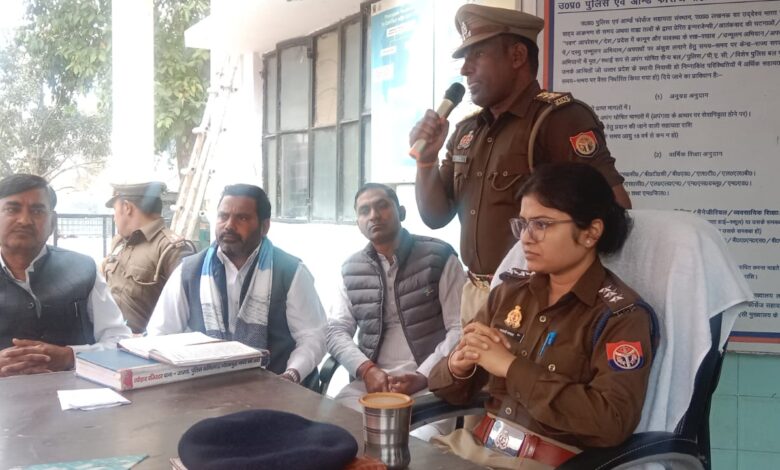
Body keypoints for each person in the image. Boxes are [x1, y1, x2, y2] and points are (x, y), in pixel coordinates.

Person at [410, 4, 631, 325]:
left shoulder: (557, 119)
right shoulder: (467, 130)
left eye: (477, 55)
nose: (465, 70)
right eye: (464, 59)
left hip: (536, 300)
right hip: (476, 294)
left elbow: (615, 212)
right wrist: (426, 160)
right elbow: (435, 216)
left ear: (516, 56)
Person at [427, 163, 658, 469]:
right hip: (474, 449)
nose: (526, 238)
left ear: (590, 233)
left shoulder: (620, 316)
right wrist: (458, 367)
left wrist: (510, 367)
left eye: (542, 224)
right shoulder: (509, 294)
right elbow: (445, 388)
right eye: (523, 224)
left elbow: (612, 422)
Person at [147, 184, 326, 386]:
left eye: (242, 218)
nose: (229, 225)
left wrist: (291, 374)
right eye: (223, 216)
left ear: (264, 227)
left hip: (278, 388)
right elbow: (160, 334)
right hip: (206, 389)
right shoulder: (189, 271)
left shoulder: (290, 271)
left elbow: (313, 336)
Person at [327, 183, 465, 417]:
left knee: (419, 438)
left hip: (431, 383)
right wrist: (367, 370)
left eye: (382, 206)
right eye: (364, 211)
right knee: (335, 426)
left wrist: (423, 375)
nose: (374, 215)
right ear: (358, 223)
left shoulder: (438, 257)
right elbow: (336, 331)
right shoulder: (351, 270)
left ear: (401, 212)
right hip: (371, 384)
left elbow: (459, 327)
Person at [0, 174, 131, 377]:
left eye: (37, 211)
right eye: (12, 209)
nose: (24, 220)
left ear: (53, 222)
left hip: (77, 392)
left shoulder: (83, 269)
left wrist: (71, 356)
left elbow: (120, 341)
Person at [102, 181, 195, 333]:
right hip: (108, 340)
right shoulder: (119, 242)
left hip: (145, 345)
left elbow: (188, 315)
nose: (114, 217)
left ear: (127, 207)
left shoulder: (171, 248)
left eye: (115, 209)